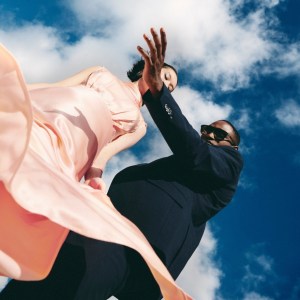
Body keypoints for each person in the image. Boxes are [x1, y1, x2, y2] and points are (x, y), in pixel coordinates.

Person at [1, 28, 243, 299]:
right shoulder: (101, 73)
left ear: (232, 146)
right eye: (207, 128)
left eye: (220, 134)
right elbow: (55, 86)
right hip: (94, 220)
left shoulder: (223, 164)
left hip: (128, 245)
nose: (209, 134)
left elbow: (191, 151)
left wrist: (94, 177)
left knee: (69, 282)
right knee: (48, 277)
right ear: (149, 67)